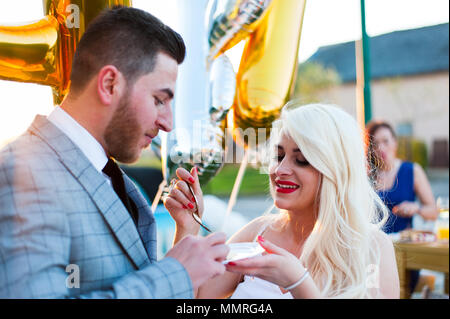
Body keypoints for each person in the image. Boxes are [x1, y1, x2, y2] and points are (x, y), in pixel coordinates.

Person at [0, 6, 228, 298]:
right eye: (159, 100)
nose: (168, 123)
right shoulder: (23, 173)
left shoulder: (109, 175)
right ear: (109, 84)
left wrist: (185, 232)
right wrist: (175, 274)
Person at [165, 102, 400, 298]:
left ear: (335, 171)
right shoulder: (258, 232)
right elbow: (192, 296)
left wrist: (298, 282)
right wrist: (187, 226)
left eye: (301, 159)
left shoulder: (373, 248)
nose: (280, 169)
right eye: (278, 156)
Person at [366, 120, 439, 294]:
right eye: (375, 144)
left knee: (400, 292)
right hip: (372, 253)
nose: (381, 148)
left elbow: (433, 212)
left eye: (386, 141)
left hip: (404, 251)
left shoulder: (411, 170)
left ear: (395, 143)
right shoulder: (368, 175)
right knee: (371, 293)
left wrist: (417, 208)